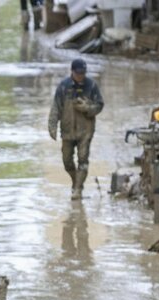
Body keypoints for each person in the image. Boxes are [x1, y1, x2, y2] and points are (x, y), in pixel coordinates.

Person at [48, 58, 104, 201]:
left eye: (83, 73)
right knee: (67, 161)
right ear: (72, 72)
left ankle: (78, 189)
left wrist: (88, 108)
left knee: (83, 160)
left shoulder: (91, 86)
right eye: (78, 73)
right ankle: (76, 181)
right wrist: (52, 125)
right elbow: (56, 107)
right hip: (67, 131)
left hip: (86, 131)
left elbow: (100, 105)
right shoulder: (63, 86)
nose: (81, 76)